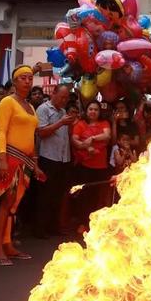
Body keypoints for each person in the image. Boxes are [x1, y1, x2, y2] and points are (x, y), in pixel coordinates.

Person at [0, 65, 45, 266]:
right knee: (5, 203)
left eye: (30, 78)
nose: (27, 81)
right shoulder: (8, 102)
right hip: (11, 157)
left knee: (13, 205)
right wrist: (2, 158)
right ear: (14, 82)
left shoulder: (30, 106)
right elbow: (1, 132)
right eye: (23, 78)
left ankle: (7, 243)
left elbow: (32, 136)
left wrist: (36, 163)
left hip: (25, 160)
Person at [34, 84, 74, 238]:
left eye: (66, 98)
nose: (64, 100)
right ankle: (40, 228)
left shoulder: (63, 111)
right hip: (48, 157)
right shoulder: (43, 109)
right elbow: (41, 132)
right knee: (45, 195)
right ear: (53, 93)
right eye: (62, 97)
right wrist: (61, 123)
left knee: (58, 194)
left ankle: (53, 226)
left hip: (63, 158)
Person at [71, 100, 112, 233]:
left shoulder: (104, 123)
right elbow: (75, 140)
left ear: (99, 112)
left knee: (98, 197)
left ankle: (95, 225)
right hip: (85, 166)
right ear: (86, 111)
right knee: (84, 197)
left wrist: (92, 138)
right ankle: (82, 223)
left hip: (101, 167)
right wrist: (86, 147)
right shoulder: (80, 124)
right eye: (90, 109)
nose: (93, 112)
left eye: (96, 109)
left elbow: (107, 135)